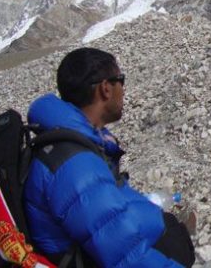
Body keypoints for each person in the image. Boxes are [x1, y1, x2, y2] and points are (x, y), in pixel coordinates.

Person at [23, 47, 195, 267]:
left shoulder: (79, 142)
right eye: (120, 80)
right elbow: (126, 257)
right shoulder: (77, 166)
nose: (123, 90)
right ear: (105, 88)